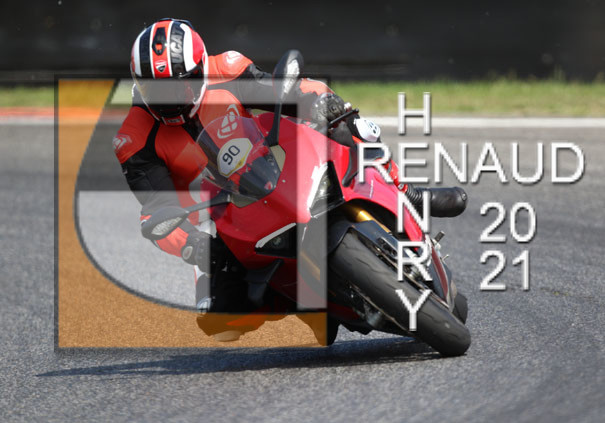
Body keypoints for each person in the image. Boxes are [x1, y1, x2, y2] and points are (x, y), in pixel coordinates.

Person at [114, 18, 466, 343]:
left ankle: (406, 192)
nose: (170, 100)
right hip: (220, 211)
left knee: (348, 126)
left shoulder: (228, 70)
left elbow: (288, 91)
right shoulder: (133, 140)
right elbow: (157, 209)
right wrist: (191, 244)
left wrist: (325, 102)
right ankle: (308, 305)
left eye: (180, 86)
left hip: (271, 165)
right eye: (156, 90)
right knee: (221, 321)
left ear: (201, 67)